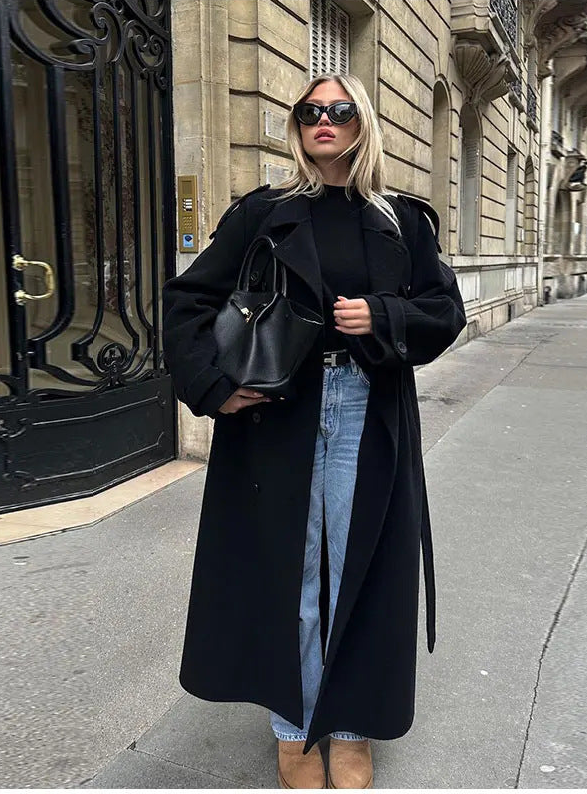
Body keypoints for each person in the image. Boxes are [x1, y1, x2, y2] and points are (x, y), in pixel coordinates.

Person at [161, 73, 466, 789]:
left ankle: (350, 728)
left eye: (340, 110)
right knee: (291, 570)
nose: (323, 121)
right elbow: (188, 300)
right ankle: (295, 728)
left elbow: (443, 310)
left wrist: (383, 317)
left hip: (367, 403)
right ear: (297, 126)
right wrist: (213, 386)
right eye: (309, 112)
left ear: (363, 124)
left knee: (357, 568)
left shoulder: (402, 219)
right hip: (279, 412)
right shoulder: (262, 213)